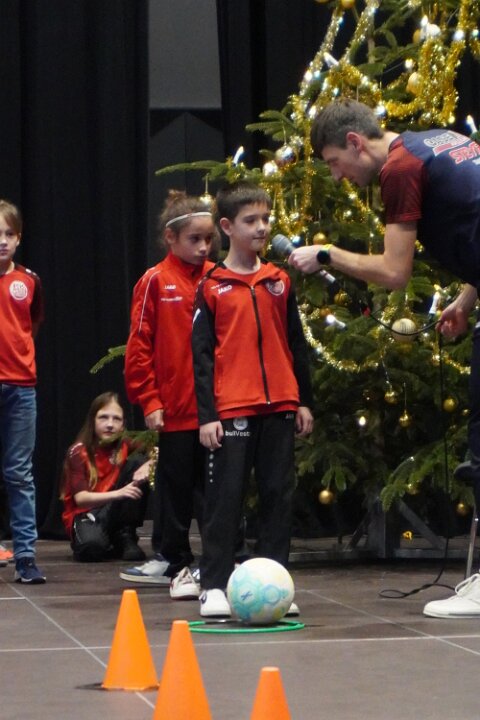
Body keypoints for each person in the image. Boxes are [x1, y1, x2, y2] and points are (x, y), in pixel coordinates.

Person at [287, 98, 480, 619]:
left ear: (355, 142)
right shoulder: (440, 140)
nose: (338, 177)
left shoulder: (399, 169)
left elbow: (395, 272)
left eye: (335, 163)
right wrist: (467, 298)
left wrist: (326, 254)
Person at [192, 181, 314, 617]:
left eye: (265, 218)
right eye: (251, 221)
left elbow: (296, 343)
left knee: (278, 497)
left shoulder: (279, 281)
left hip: (280, 404)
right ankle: (214, 585)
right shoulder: (212, 285)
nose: (262, 227)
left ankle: (276, 585)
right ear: (227, 227)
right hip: (232, 409)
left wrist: (302, 400)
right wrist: (208, 415)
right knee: (225, 499)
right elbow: (201, 357)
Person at [120, 190, 222, 600]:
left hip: (215, 409)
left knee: (214, 489)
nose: (203, 248)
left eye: (209, 239)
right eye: (194, 239)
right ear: (171, 238)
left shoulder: (218, 278)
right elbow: (139, 346)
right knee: (175, 486)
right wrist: (150, 399)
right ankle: (171, 557)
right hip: (175, 408)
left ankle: (218, 559)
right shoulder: (155, 281)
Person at [0, 199, 46, 583]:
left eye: (8, 234)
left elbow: (32, 323)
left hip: (20, 387)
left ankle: (26, 557)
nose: (2, 241)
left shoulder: (29, 280)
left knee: (19, 473)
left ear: (18, 238)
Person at [61, 392, 152, 562]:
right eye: (103, 417)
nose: (110, 424)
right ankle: (104, 539)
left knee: (139, 461)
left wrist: (149, 464)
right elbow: (81, 499)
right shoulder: (78, 452)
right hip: (87, 513)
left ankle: (125, 534)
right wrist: (120, 493)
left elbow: (158, 449)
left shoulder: (125, 443)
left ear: (123, 425)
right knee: (92, 550)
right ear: (93, 421)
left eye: (116, 419)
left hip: (114, 510)